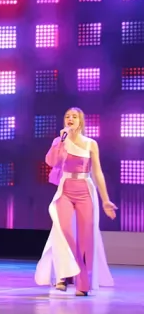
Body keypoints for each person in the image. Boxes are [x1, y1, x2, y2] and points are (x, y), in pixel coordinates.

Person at [35, 107, 116, 296]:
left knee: (85, 238)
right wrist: (60, 143)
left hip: (85, 190)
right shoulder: (60, 141)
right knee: (65, 233)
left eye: (74, 116)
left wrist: (105, 200)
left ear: (81, 121)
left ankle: (82, 282)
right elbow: (51, 162)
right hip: (65, 191)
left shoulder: (90, 144)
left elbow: (97, 173)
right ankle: (69, 275)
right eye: (67, 116)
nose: (70, 119)